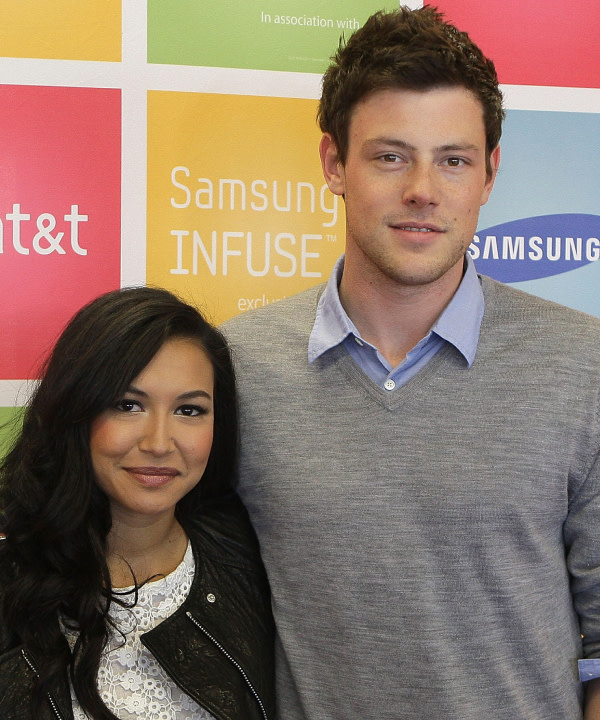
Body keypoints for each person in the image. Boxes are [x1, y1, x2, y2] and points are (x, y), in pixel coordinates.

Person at [221, 6, 600, 718]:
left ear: (488, 175)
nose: (423, 189)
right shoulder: (238, 369)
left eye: (452, 159)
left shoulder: (585, 366)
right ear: (334, 164)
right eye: (391, 155)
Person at [0, 286, 274, 720]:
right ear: (77, 411)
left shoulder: (252, 558)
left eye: (189, 410)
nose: (159, 443)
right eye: (128, 405)